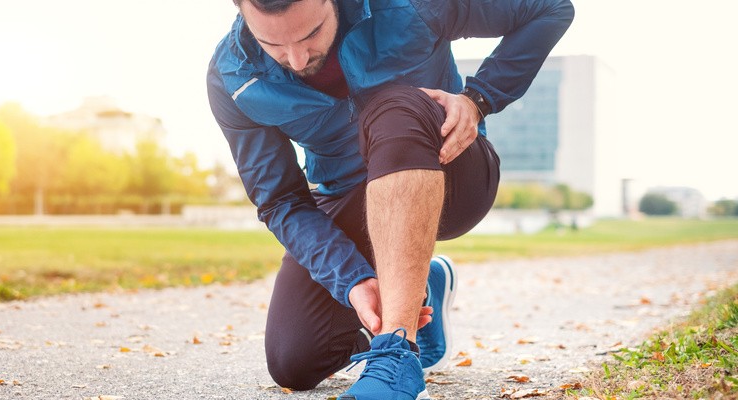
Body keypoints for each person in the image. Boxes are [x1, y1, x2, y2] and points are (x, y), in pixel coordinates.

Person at [206, 0, 574, 398]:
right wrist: (353, 279)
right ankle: (419, 282)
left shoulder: (411, 5)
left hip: (451, 173)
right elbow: (281, 200)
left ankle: (398, 356)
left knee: (392, 106)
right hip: (349, 197)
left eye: (311, 33)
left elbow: (550, 9)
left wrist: (479, 98)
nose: (295, 59)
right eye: (271, 43)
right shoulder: (232, 77)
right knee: (294, 361)